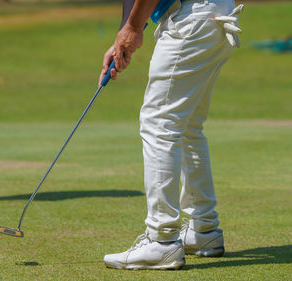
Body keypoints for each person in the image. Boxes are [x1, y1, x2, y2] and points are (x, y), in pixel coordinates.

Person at [99, 0, 243, 270]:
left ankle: (162, 240)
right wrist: (124, 35)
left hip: (191, 16)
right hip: (215, 13)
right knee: (187, 125)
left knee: (159, 123)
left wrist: (131, 27)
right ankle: (203, 230)